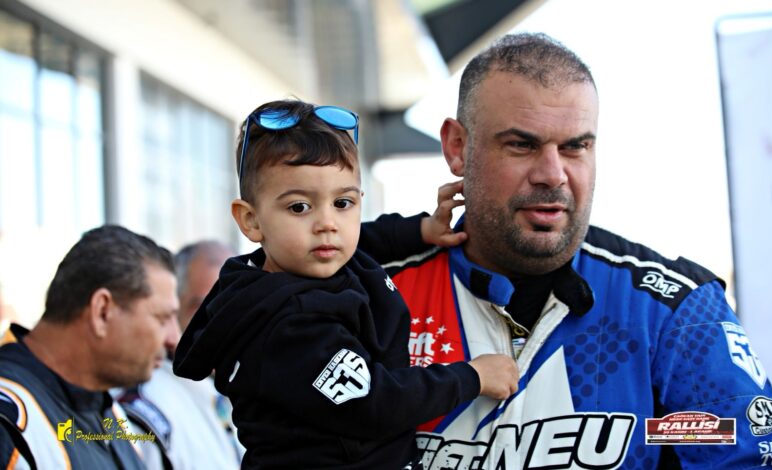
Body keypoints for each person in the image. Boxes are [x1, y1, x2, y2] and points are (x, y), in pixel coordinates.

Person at [379, 32, 772, 469]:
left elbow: (738, 452)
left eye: (575, 147)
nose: (553, 175)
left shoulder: (671, 313)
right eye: (522, 145)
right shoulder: (373, 295)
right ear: (457, 147)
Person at [173, 99, 520, 469]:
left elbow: (368, 238)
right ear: (251, 221)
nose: (328, 224)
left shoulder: (311, 257)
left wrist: (423, 229)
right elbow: (374, 403)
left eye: (342, 203)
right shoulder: (289, 325)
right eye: (299, 207)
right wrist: (472, 376)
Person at [0, 225, 180, 469]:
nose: (173, 338)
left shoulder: (111, 413)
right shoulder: (10, 425)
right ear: (102, 311)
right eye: (162, 318)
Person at [118, 240, 243, 470]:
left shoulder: (248, 389)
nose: (222, 321)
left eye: (235, 306)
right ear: (173, 309)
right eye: (205, 307)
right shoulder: (148, 407)